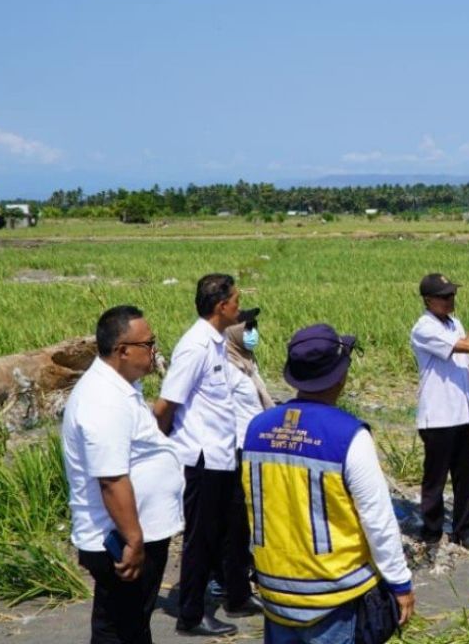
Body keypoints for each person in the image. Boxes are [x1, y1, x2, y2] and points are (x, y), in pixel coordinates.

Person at [242, 323, 415, 643]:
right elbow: (378, 519)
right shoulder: (349, 436)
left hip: (276, 591)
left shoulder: (256, 430)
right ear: (340, 376)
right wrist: (400, 583)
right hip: (333, 597)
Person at [61, 305, 183, 644]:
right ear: (123, 350)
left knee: (128, 625)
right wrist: (133, 540)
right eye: (149, 343)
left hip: (133, 530)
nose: (154, 350)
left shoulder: (121, 387)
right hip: (119, 538)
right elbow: (111, 479)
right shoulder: (103, 401)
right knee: (121, 630)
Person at [153, 273, 259, 636]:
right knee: (201, 536)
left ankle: (237, 595)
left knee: (233, 527)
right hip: (200, 458)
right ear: (221, 306)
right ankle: (191, 614)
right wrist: (159, 450)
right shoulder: (195, 346)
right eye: (236, 300)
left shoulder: (215, 343)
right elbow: (166, 404)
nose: (239, 307)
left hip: (222, 453)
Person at [410, 273, 469, 551]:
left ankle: (464, 530)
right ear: (428, 300)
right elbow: (468, 345)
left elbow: (468, 363)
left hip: (464, 411)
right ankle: (432, 530)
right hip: (438, 414)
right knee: (435, 477)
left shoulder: (455, 323)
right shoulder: (424, 328)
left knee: (467, 476)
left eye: (452, 295)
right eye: (444, 296)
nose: (450, 301)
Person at [206, 307, 276, 601]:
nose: (252, 334)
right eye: (247, 328)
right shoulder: (227, 368)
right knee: (233, 519)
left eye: (255, 327)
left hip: (253, 450)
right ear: (233, 333)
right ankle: (222, 578)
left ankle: (239, 571)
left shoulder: (248, 364)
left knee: (247, 517)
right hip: (236, 451)